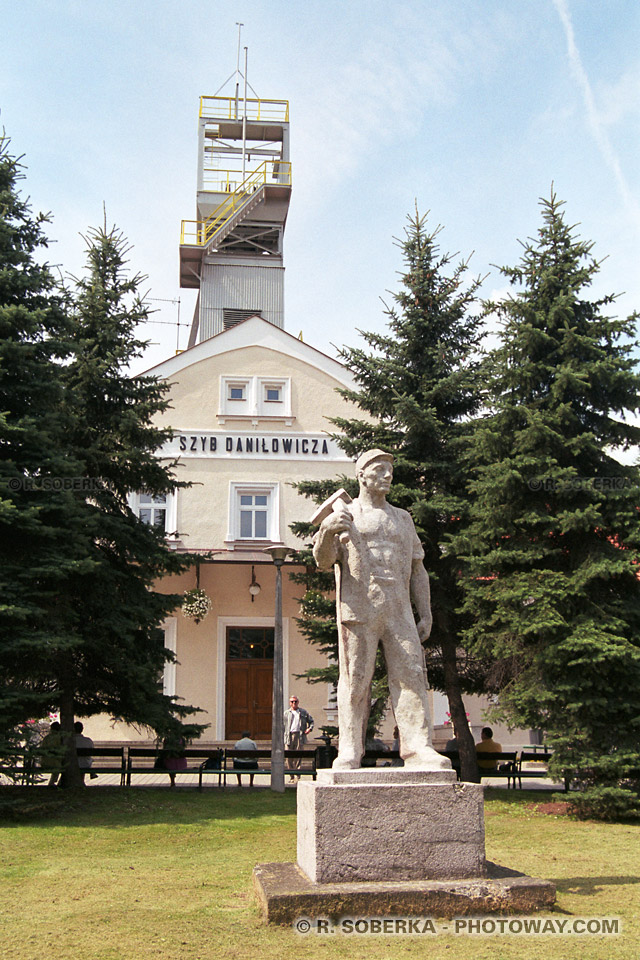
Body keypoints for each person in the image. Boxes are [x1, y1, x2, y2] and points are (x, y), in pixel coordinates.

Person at [313, 448, 450, 772]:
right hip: (359, 608)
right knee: (356, 679)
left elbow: (418, 569)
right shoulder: (346, 513)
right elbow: (322, 560)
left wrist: (425, 612)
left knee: (412, 677)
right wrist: (328, 530)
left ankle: (419, 748)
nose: (388, 475)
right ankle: (349, 749)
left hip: (398, 608)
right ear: (361, 475)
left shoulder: (402, 518)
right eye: (380, 470)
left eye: (390, 470)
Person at [284, 695, 314, 782]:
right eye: (292, 702)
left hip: (299, 736)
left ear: (298, 702)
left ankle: (298, 775)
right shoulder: (286, 713)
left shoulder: (303, 712)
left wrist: (309, 729)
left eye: (295, 701)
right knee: (288, 757)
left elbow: (311, 721)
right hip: (288, 736)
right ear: (290, 703)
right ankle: (291, 776)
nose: (294, 703)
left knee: (298, 756)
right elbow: (282, 725)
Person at [39, 721, 62, 788]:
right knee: (64, 766)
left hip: (44, 762)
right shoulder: (59, 738)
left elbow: (42, 749)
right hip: (55, 763)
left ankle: (52, 782)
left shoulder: (46, 738)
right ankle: (56, 782)